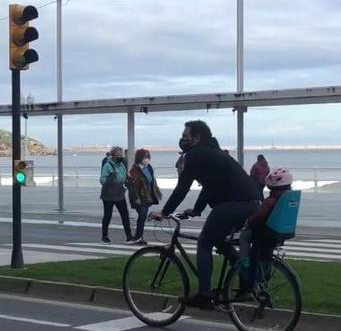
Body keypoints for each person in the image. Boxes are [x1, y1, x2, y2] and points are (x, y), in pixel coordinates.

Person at [152, 121, 262, 308]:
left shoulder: (195, 155)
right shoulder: (213, 153)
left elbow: (182, 188)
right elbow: (210, 186)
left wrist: (164, 212)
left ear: (197, 138)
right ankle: (247, 282)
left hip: (232, 206)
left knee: (204, 243)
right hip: (253, 204)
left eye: (186, 137)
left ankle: (204, 294)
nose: (182, 140)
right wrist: (197, 210)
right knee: (220, 241)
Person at [126, 149, 161, 245]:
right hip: (139, 198)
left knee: (142, 217)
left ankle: (139, 237)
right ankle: (137, 237)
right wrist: (136, 198)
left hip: (148, 197)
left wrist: (156, 193)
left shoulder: (149, 168)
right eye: (145, 157)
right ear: (139, 158)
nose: (147, 159)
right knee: (142, 216)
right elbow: (132, 186)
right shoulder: (134, 170)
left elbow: (152, 181)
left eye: (148, 157)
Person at [99, 146, 133, 244]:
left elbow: (124, 175)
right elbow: (102, 180)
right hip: (108, 194)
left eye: (121, 155)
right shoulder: (107, 165)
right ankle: (104, 236)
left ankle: (129, 236)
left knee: (125, 214)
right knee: (108, 215)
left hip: (119, 192)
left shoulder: (121, 164)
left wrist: (127, 181)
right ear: (113, 156)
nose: (121, 157)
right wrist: (110, 178)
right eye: (119, 155)